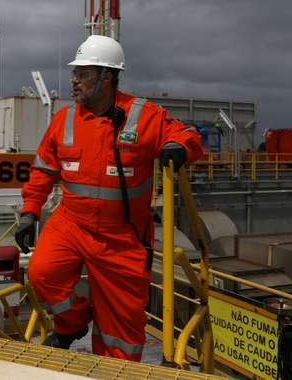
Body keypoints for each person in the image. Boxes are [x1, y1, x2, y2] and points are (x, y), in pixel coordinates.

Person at [15, 34, 203, 361]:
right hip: (71, 225)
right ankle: (72, 323)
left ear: (107, 77)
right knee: (42, 273)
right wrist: (30, 212)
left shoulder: (143, 115)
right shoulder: (65, 120)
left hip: (124, 237)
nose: (74, 80)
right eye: (75, 72)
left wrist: (178, 148)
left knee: (121, 330)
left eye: (83, 74)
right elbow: (44, 169)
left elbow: (187, 136)